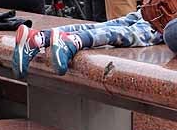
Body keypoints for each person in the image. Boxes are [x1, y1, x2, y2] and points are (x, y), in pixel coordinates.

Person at [13, 12, 168, 79]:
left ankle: (39, 38)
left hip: (159, 1)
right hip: (169, 11)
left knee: (113, 25)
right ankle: (73, 41)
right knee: (140, 34)